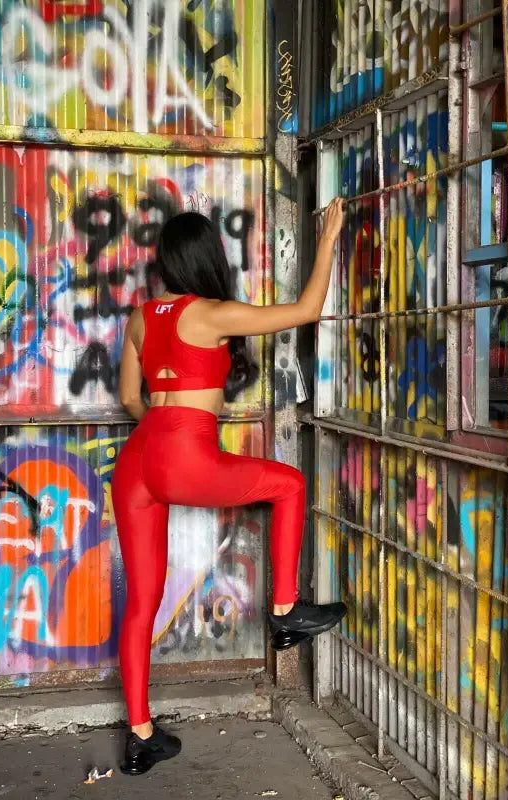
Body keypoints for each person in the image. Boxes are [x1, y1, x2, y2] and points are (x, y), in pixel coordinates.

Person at [112, 198, 346, 775]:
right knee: (289, 484)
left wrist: (161, 431)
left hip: (136, 461)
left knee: (141, 601)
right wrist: (330, 237)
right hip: (183, 453)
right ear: (209, 258)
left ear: (167, 262)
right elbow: (308, 307)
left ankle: (141, 734)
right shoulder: (210, 314)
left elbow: (127, 399)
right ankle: (287, 611)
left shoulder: (142, 318)